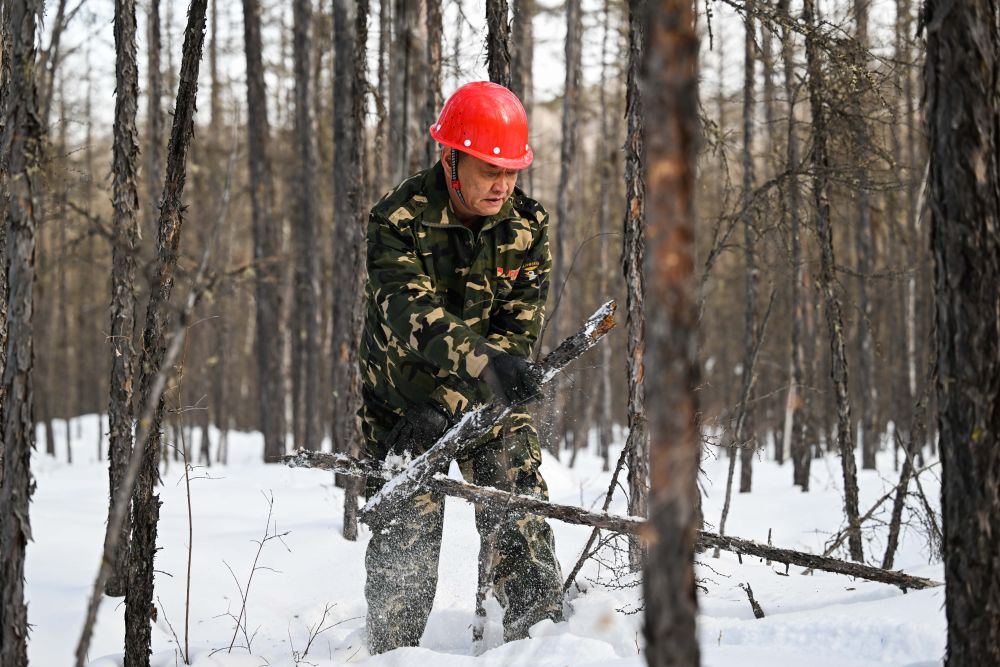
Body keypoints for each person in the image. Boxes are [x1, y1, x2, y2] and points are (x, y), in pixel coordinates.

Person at [358, 81, 564, 653]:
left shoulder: (528, 225)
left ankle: (547, 647)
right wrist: (479, 371)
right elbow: (411, 316)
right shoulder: (396, 220)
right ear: (451, 160)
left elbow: (518, 331)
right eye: (488, 170)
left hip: (486, 398)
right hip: (402, 404)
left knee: (520, 510)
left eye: (512, 171)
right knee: (406, 545)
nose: (502, 185)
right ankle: (393, 658)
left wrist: (467, 394)